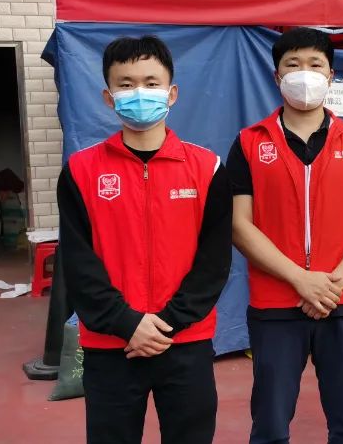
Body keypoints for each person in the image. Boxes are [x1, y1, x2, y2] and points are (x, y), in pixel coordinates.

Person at [59, 35, 231, 444]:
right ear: (108, 97)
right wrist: (127, 323)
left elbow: (214, 261)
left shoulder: (207, 168)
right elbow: (79, 264)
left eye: (151, 83)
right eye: (126, 84)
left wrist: (166, 325)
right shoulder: (81, 171)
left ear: (171, 94)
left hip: (185, 341)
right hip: (111, 345)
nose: (140, 93)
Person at [228, 27, 343, 444]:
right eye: (293, 64)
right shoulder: (249, 143)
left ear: (331, 74)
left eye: (315, 64)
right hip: (276, 305)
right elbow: (240, 224)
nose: (305, 73)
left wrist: (333, 283)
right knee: (269, 427)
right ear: (277, 76)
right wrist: (300, 279)